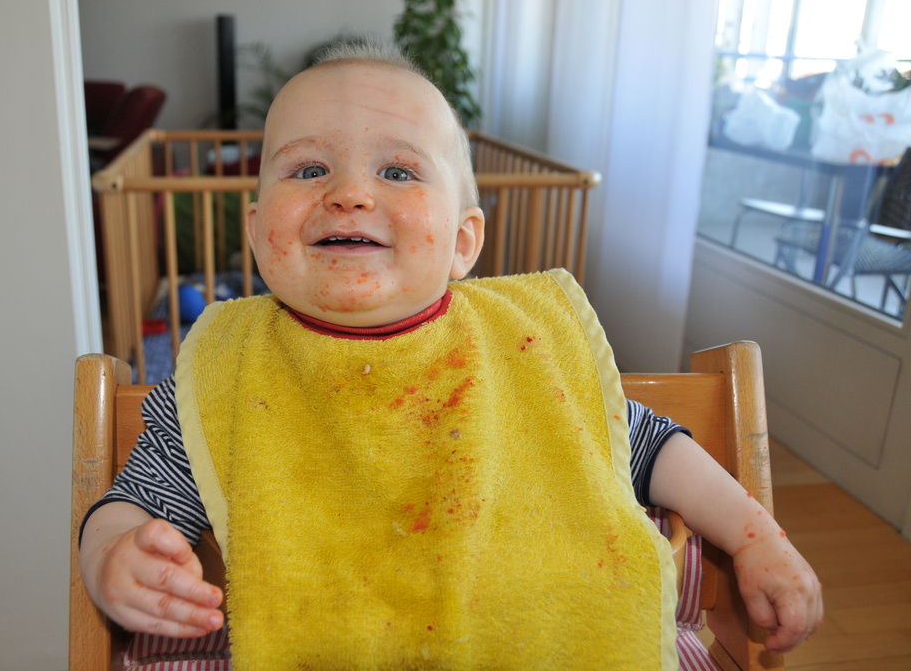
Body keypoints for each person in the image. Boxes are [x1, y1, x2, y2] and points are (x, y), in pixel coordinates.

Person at [79, 43, 821, 668]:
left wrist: (756, 538)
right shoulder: (229, 374)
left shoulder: (521, 346)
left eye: (398, 172)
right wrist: (113, 558)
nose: (348, 193)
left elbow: (646, 446)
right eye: (306, 170)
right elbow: (133, 503)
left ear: (464, 242)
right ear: (254, 229)